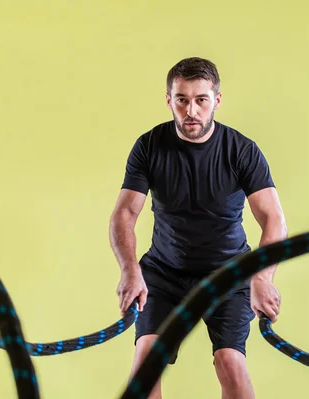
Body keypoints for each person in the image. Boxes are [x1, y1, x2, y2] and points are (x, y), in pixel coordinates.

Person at [109, 56, 287, 399]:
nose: (191, 111)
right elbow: (124, 214)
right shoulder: (149, 146)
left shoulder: (242, 151)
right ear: (169, 100)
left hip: (229, 272)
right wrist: (130, 270)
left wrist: (262, 278)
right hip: (164, 272)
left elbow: (273, 218)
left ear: (216, 100)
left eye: (201, 100)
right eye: (182, 100)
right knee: (146, 367)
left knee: (230, 364)